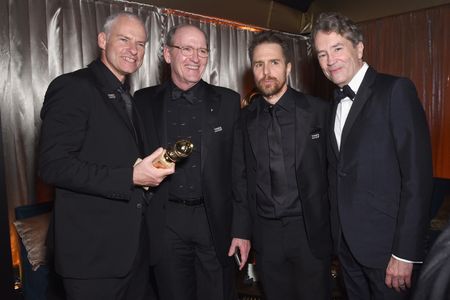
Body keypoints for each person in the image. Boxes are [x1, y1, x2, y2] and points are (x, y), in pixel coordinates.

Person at [38, 12, 174, 300]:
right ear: (102, 40)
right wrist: (130, 176)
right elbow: (53, 166)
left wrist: (148, 177)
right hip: (92, 257)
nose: (133, 50)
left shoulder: (127, 97)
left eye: (141, 43)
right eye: (124, 39)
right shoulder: (73, 87)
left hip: (132, 252)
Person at [311, 12, 433, 299]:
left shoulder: (395, 91)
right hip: (347, 249)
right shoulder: (332, 104)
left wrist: (405, 253)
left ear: (359, 48)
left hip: (388, 252)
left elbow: (417, 180)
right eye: (322, 54)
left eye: (338, 48)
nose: (330, 61)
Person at [134, 24, 250, 300]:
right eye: (186, 49)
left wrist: (242, 229)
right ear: (167, 54)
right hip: (165, 222)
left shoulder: (229, 101)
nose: (195, 58)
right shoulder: (143, 101)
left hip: (214, 222)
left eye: (202, 50)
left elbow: (240, 170)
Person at [234, 31, 333, 300]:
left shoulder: (319, 112)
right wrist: (242, 231)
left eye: (274, 63)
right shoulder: (243, 120)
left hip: (310, 233)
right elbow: (241, 179)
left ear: (288, 67)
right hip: (266, 236)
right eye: (259, 64)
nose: (266, 72)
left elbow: (335, 175)